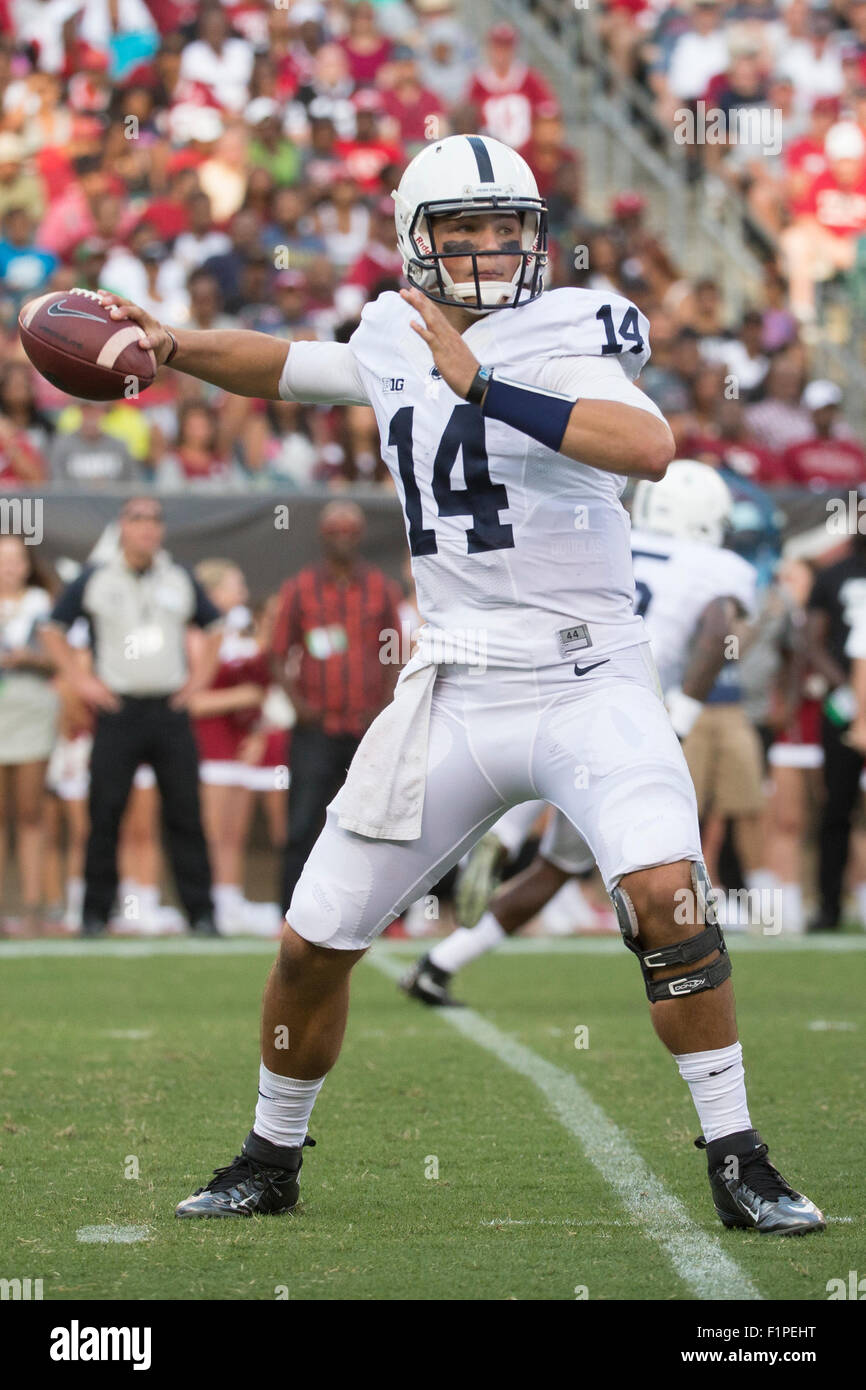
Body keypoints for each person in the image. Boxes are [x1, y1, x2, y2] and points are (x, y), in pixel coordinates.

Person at [96, 133, 823, 1235]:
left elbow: (648, 442)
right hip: (454, 687)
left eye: (505, 230)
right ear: (412, 242)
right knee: (310, 941)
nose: (487, 251)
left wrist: (485, 387)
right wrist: (173, 344)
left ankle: (738, 1156)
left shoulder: (571, 326)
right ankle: (268, 1156)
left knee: (666, 897)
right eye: (462, 231)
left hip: (589, 677)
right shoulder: (393, 329)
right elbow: (290, 365)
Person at [402, 462, 759, 1001]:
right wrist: (682, 718)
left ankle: (497, 847)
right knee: (567, 865)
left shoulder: (614, 535)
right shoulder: (719, 567)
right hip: (623, 717)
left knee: (538, 780)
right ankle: (683, 962)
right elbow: (716, 632)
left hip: (553, 683)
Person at [40, 497, 224, 938]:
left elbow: (215, 626)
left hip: (169, 709)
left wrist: (199, 681)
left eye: (155, 520)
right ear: (122, 527)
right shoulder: (96, 578)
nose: (147, 528)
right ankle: (94, 915)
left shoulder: (179, 577)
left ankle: (201, 914)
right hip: (118, 710)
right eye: (138, 519)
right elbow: (52, 628)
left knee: (185, 812)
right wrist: (80, 682)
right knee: (104, 812)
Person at [269, 501, 403, 914]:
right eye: (335, 529)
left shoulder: (382, 588)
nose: (343, 536)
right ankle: (292, 908)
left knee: (374, 819)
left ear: (359, 536)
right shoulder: (300, 588)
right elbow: (277, 653)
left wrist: (384, 706)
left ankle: (376, 909)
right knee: (303, 819)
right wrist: (298, 704)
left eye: (350, 529)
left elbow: (393, 650)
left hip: (366, 726)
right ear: (323, 535)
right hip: (316, 726)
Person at [804, 523, 866, 930]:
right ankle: (829, 905)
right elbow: (811, 639)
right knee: (836, 806)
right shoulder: (833, 573)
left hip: (851, 695)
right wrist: (847, 693)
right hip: (844, 703)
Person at [0, 537, 59, 937]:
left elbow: (61, 659)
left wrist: (29, 658)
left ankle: (33, 909)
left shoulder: (43, 603)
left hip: (31, 707)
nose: (10, 567)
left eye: (16, 559)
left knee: (30, 812)